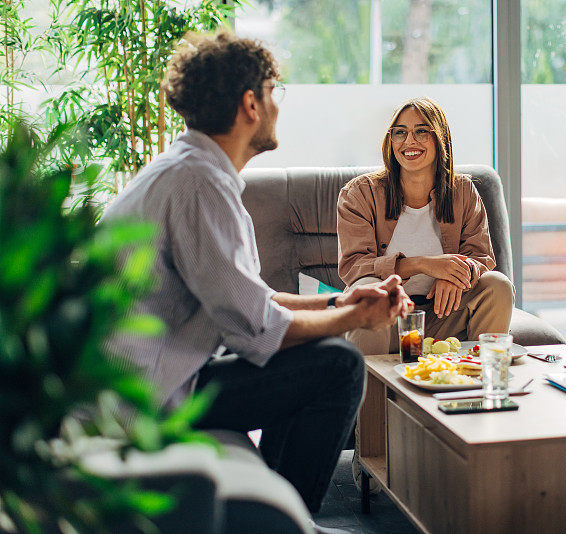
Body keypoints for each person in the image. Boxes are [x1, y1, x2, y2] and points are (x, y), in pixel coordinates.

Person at [101, 31, 412, 520]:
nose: (277, 107)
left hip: (157, 379)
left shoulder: (192, 172)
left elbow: (254, 301)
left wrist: (344, 300)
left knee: (321, 353)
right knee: (338, 366)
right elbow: (257, 330)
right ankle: (290, 522)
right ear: (250, 103)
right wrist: (358, 318)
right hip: (146, 398)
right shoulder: (200, 185)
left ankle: (278, 512)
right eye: (274, 93)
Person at [337, 96, 514, 355]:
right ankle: (371, 395)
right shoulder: (359, 193)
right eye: (400, 133)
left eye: (422, 131)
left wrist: (456, 275)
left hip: (446, 313)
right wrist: (426, 264)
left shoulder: (463, 190)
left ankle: (480, 385)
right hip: (387, 318)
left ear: (440, 139)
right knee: (365, 291)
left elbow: (481, 256)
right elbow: (354, 266)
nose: (410, 142)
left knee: (498, 285)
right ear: (390, 141)